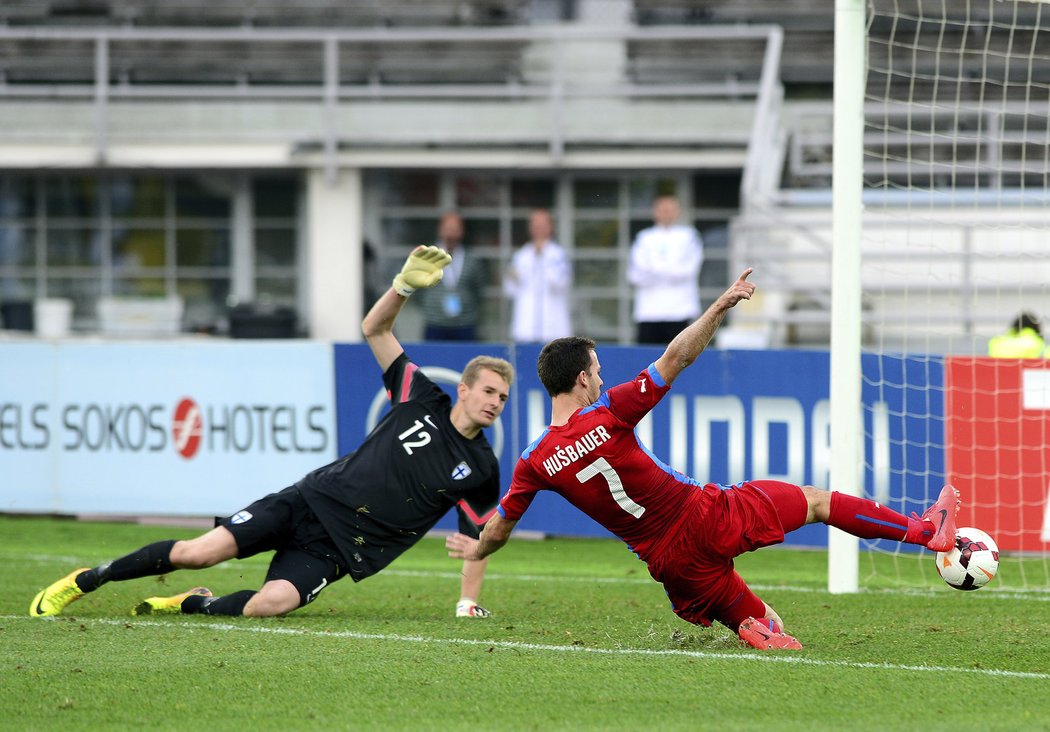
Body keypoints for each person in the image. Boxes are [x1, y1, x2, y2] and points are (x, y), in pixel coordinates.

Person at [446, 268, 961, 650]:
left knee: (770, 624)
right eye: (597, 370)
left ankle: (753, 625)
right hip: (702, 515)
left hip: (670, 564)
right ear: (582, 379)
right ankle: (925, 533)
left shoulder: (533, 460)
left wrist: (474, 552)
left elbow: (500, 529)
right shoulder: (609, 412)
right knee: (819, 501)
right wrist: (719, 307)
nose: (601, 377)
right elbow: (677, 357)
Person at [30, 245, 514, 620]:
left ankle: (192, 605)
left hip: (341, 548)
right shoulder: (422, 397)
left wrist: (467, 600)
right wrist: (402, 288)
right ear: (466, 388)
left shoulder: (481, 467)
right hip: (309, 500)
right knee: (199, 553)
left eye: (504, 398)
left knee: (271, 604)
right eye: (490, 391)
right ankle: (88, 580)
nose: (496, 402)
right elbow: (375, 330)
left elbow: (480, 538)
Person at [627, 194, 704, 345]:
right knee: (647, 358)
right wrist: (668, 269)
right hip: (648, 310)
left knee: (679, 356)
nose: (666, 213)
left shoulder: (688, 236)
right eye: (662, 209)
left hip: (679, 309)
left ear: (677, 212)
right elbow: (636, 272)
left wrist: (656, 269)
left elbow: (688, 270)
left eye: (670, 209)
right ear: (655, 212)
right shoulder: (644, 238)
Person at [503, 208, 572, 343]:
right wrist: (512, 278)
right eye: (535, 225)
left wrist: (543, 256)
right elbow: (509, 290)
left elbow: (561, 283)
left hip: (553, 329)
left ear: (551, 228)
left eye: (543, 225)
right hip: (526, 328)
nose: (539, 229)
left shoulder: (558, 255)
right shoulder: (521, 256)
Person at [416, 211, 487, 341]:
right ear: (440, 230)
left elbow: (478, 290)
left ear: (462, 231)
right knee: (433, 360)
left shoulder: (472, 259)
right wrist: (431, 307)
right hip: (434, 323)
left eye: (455, 229)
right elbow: (418, 290)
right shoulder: (427, 257)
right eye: (447, 228)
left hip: (465, 324)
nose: (450, 233)